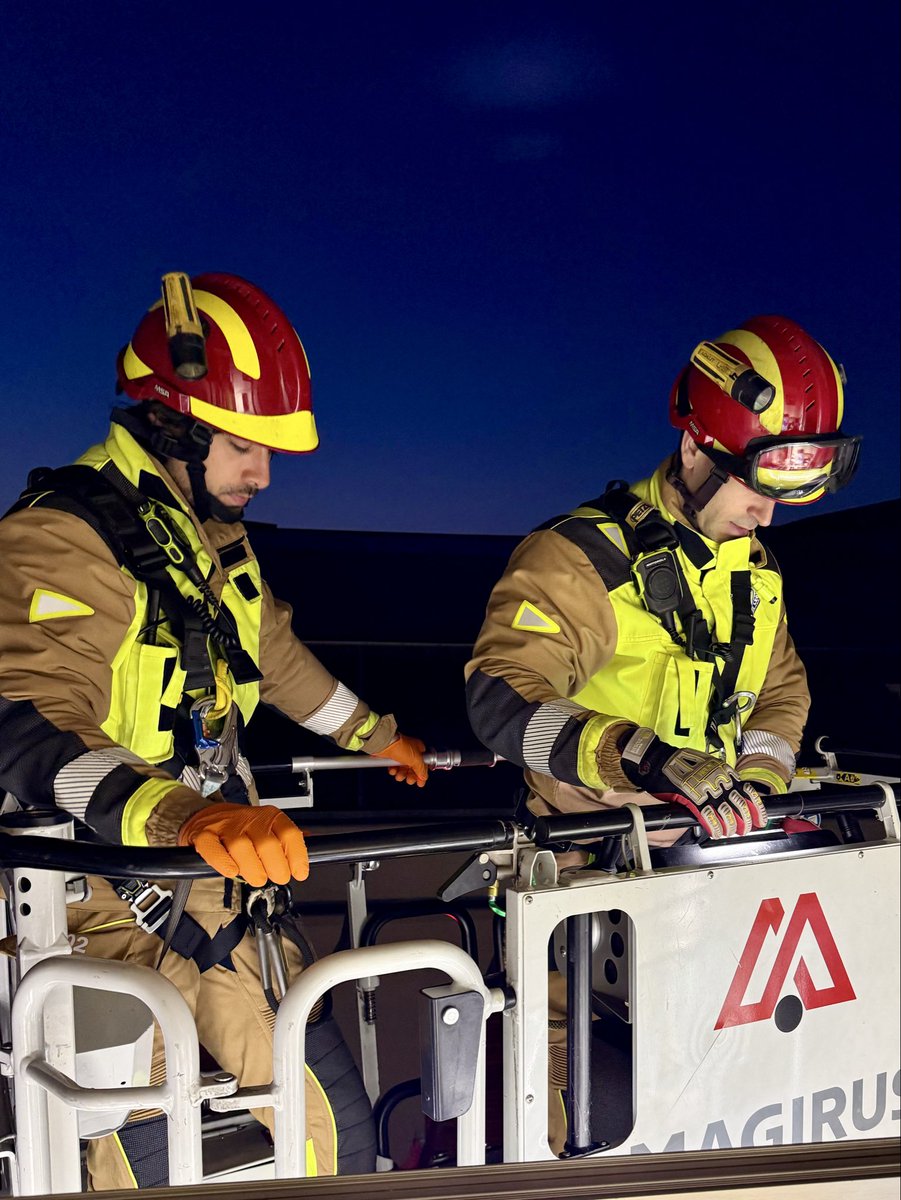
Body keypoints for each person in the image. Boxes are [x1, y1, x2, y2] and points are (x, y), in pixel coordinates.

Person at [0, 271, 429, 1187]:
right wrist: (185, 817)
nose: (262, 474)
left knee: (325, 1122)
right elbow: (27, 722)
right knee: (133, 1139)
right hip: (92, 897)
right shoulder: (62, 538)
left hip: (210, 879)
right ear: (173, 426)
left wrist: (376, 736)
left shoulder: (212, 539)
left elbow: (274, 658)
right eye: (243, 445)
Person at [464, 314, 860, 1153]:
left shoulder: (753, 569)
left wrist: (758, 780)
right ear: (693, 449)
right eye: (756, 489)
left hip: (714, 876)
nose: (768, 516)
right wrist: (639, 758)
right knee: (583, 1115)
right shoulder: (579, 560)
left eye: (789, 496)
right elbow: (500, 700)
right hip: (583, 884)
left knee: (738, 1095)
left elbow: (781, 691)